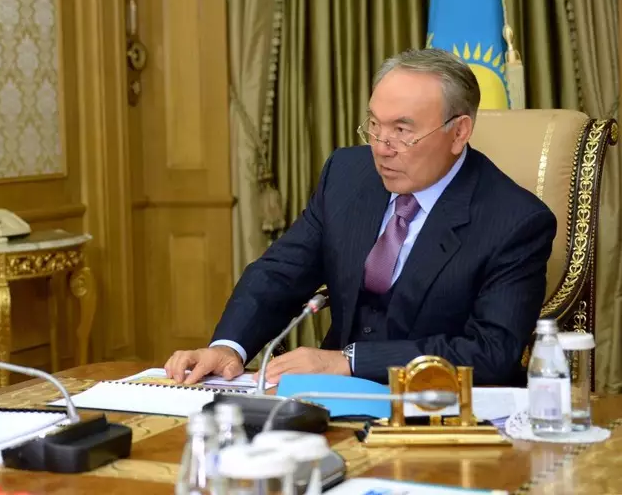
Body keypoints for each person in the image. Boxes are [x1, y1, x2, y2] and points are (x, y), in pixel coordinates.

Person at [165, 48, 556, 389]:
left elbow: (490, 351)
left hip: (439, 413)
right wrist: (228, 347)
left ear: (459, 133)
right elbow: (280, 273)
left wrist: (350, 362)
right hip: (330, 403)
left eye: (402, 131)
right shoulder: (347, 175)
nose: (382, 148)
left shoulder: (515, 222)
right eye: (374, 125)